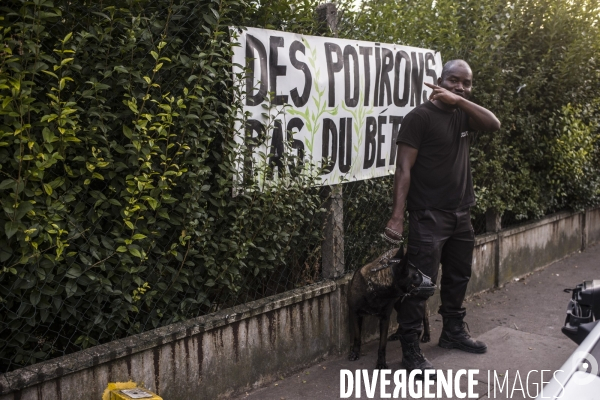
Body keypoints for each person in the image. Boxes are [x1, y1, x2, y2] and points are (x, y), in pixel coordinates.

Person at [383, 59, 501, 374]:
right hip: (428, 215)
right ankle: (410, 352)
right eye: (454, 81)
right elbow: (403, 168)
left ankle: (452, 332)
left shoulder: (464, 113)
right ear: (440, 80)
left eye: (466, 83)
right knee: (419, 284)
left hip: (462, 211)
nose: (460, 86)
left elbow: (494, 125)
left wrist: (460, 101)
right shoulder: (419, 118)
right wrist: (397, 217)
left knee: (458, 276)